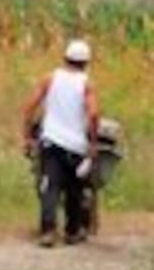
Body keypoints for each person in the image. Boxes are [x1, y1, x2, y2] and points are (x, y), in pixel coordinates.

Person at [21, 39, 100, 247]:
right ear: (86, 63)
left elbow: (29, 107)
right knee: (74, 189)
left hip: (51, 142)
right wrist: (92, 143)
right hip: (76, 146)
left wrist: (27, 136)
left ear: (65, 59)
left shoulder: (50, 78)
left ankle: (48, 232)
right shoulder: (86, 84)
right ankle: (72, 231)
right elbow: (93, 114)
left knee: (50, 186)